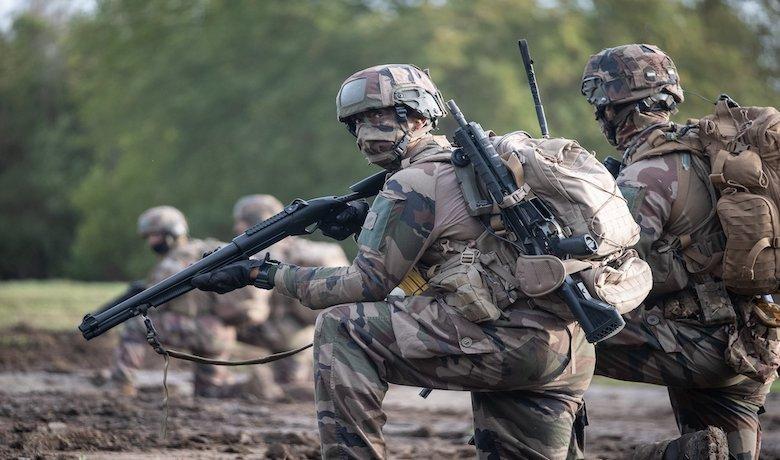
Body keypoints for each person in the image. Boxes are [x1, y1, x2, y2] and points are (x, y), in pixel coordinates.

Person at [192, 64, 596, 459]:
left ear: (418, 116)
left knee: (343, 327)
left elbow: (365, 283)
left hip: (505, 345)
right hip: (564, 346)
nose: (366, 132)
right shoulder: (475, 167)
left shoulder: (413, 182)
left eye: (379, 117)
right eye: (357, 122)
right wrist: (364, 220)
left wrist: (264, 273)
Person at [579, 43, 779, 459]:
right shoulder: (716, 153)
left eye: (601, 107)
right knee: (720, 451)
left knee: (558, 333)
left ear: (613, 109)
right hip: (753, 343)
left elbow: (620, 278)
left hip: (696, 346)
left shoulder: (645, 173)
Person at [107, 206, 272, 398]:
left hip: (199, 329)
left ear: (172, 234)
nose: (151, 242)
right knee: (210, 391)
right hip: (222, 333)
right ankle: (250, 388)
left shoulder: (175, 261)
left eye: (155, 235)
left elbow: (156, 306)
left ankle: (121, 384)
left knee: (136, 325)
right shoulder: (205, 250)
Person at [232, 194, 349, 389]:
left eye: (241, 222)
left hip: (288, 340)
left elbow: (252, 311)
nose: (236, 227)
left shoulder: (263, 255)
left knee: (290, 390)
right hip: (297, 338)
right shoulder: (309, 251)